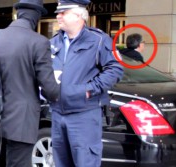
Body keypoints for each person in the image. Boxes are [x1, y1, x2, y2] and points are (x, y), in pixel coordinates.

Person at [0, 0, 60, 166]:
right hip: (21, 122)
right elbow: (50, 89)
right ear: (36, 17)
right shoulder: (39, 42)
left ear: (18, 14)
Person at [50, 0, 124, 166]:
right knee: (61, 162)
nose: (58, 16)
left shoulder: (98, 40)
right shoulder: (54, 43)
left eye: (63, 13)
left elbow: (115, 70)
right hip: (57, 113)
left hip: (84, 115)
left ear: (79, 16)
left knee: (86, 162)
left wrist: (89, 89)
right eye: (58, 12)